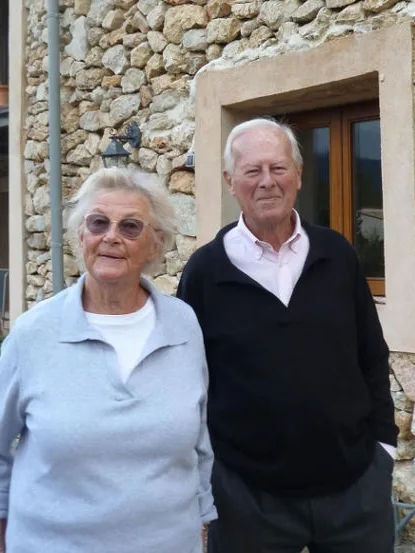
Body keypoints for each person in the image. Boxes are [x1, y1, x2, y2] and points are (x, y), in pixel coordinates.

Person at [177, 118, 398, 553]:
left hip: (354, 488)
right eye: (252, 171)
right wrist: (213, 475)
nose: (267, 182)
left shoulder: (337, 254)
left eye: (278, 168)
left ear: (298, 175)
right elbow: (189, 382)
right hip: (247, 497)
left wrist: (384, 449)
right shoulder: (205, 271)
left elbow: (371, 354)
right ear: (230, 181)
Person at [0, 167, 217, 553]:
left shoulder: (183, 324)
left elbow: (198, 438)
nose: (111, 237)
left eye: (131, 227)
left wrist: (202, 516)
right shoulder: (33, 334)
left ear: (156, 244)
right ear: (80, 235)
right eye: (98, 223)